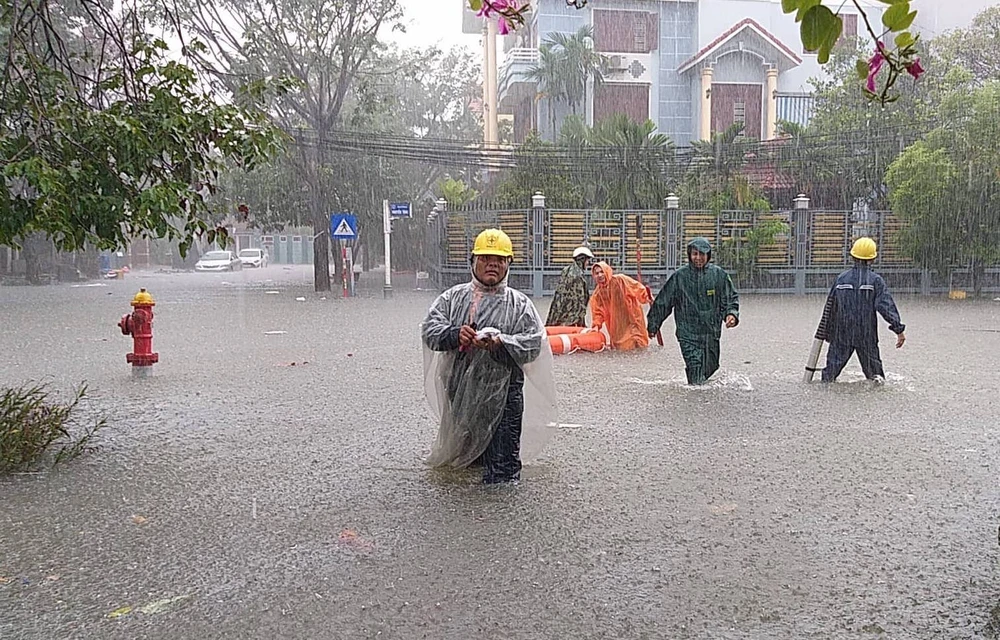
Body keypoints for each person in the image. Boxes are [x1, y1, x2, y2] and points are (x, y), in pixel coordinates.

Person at [421, 228, 557, 484]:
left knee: (502, 473)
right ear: (473, 261)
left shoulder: (521, 305)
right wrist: (454, 335)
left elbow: (533, 345)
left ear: (508, 264)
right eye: (485, 259)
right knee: (464, 465)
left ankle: (501, 518)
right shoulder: (452, 298)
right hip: (461, 394)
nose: (491, 265)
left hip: (505, 398)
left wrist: (500, 343)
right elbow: (430, 330)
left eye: (499, 261)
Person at [646, 237, 740, 385]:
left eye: (702, 254)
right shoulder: (680, 277)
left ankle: (698, 385)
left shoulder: (718, 275)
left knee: (711, 365)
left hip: (711, 331)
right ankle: (697, 400)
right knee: (695, 366)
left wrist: (731, 314)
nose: (698, 258)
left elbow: (729, 298)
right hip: (687, 332)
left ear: (708, 255)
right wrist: (653, 325)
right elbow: (663, 302)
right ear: (689, 255)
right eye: (694, 254)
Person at [821, 237, 906, 383]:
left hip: (842, 334)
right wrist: (898, 330)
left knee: (828, 377)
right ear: (872, 259)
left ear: (853, 256)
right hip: (866, 334)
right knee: (876, 379)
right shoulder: (875, 281)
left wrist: (828, 332)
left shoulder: (841, 279)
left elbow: (830, 308)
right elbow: (886, 306)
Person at [589, 261, 652, 351]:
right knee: (621, 347)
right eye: (597, 273)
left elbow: (635, 287)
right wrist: (596, 325)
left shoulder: (620, 280)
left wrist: (646, 297)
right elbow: (598, 311)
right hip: (617, 325)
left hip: (631, 317)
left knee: (637, 342)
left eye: (601, 272)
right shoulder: (598, 293)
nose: (600, 275)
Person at [545, 246, 594, 327]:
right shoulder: (578, 276)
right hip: (569, 320)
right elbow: (579, 302)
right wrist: (581, 323)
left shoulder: (566, 270)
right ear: (582, 259)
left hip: (559, 314)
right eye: (587, 260)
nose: (588, 263)